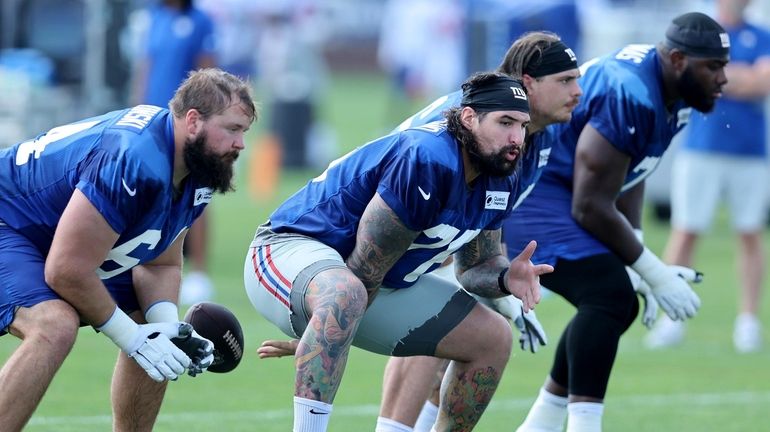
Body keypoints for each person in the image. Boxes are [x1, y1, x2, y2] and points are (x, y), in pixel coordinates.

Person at [255, 31, 583, 432]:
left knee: (491, 338)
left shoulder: (505, 165)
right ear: (468, 119)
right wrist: (321, 331)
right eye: (505, 123)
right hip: (296, 248)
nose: (516, 136)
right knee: (347, 294)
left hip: (379, 275)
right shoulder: (428, 157)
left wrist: (504, 277)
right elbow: (366, 264)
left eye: (521, 125)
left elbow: (473, 265)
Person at [502, 12, 728, 432]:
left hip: (564, 188)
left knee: (614, 300)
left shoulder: (669, 90)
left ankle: (540, 425)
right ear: (678, 59)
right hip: (537, 187)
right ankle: (581, 425)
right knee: (610, 294)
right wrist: (651, 270)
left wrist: (635, 246)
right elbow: (591, 204)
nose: (722, 79)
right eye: (713, 66)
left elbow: (630, 171)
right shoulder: (632, 91)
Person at [0, 68, 256, 432]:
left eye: (243, 132)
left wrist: (168, 329)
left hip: (56, 235)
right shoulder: (134, 158)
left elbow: (161, 263)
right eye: (232, 129)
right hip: (10, 220)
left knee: (158, 333)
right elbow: (66, 270)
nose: (240, 144)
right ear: (194, 121)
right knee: (54, 325)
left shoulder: (198, 166)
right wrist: (133, 340)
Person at [378, 32, 583, 432]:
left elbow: (488, 216)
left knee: (470, 340)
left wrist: (503, 281)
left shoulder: (541, 132)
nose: (577, 91)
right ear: (527, 83)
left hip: (444, 244)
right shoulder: (467, 126)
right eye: (565, 80)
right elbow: (413, 199)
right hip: (390, 238)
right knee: (432, 322)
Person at [645, 0, 770, 354]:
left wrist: (719, 76)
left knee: (749, 233)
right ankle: (670, 318)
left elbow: (762, 82)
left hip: (750, 151)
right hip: (702, 148)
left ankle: (748, 321)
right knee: (686, 230)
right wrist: (739, 77)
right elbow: (689, 77)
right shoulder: (702, 33)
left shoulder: (762, 35)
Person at [129, 0, 219, 305]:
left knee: (195, 191)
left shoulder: (200, 20)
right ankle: (144, 263)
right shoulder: (152, 16)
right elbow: (146, 66)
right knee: (153, 192)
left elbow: (208, 74)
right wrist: (136, 108)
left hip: (188, 123)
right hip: (154, 122)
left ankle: (199, 273)